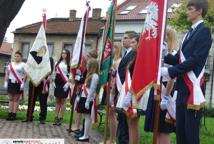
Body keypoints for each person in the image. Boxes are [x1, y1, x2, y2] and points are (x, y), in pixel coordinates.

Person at [161, 0, 212, 144]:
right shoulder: (188, 33)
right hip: (182, 87)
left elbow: (196, 59)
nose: (187, 12)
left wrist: (171, 71)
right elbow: (179, 59)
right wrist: (164, 55)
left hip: (193, 88)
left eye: (190, 9)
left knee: (190, 134)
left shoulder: (204, 31)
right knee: (181, 132)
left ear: (199, 11)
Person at [116, 31, 137, 144]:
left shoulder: (133, 54)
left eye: (126, 38)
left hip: (127, 89)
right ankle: (121, 140)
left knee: (125, 120)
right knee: (121, 119)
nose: (123, 40)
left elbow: (129, 73)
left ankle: (124, 141)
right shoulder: (126, 53)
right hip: (122, 89)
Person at [122, 34, 141, 144]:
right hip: (130, 90)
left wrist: (130, 94)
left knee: (133, 123)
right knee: (130, 123)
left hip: (136, 92)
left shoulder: (140, 57)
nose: (131, 44)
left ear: (139, 44)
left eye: (134, 42)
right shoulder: (133, 56)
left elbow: (137, 76)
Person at [23, 57, 54, 123]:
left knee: (43, 101)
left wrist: (43, 78)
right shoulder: (33, 58)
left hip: (43, 82)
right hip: (33, 81)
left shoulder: (49, 58)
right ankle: (29, 116)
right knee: (31, 100)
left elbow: (50, 70)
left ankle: (42, 118)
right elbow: (30, 68)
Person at [76, 58, 99, 142]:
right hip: (83, 97)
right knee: (85, 117)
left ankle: (86, 136)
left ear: (92, 66)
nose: (87, 66)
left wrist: (88, 101)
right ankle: (85, 134)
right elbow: (84, 87)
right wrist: (79, 96)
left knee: (87, 117)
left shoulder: (95, 76)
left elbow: (92, 89)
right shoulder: (89, 75)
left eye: (88, 64)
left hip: (87, 98)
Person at [4, 51, 26, 120]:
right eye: (15, 56)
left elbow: (25, 74)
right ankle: (9, 113)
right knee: (10, 99)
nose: (16, 57)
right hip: (11, 82)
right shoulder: (11, 64)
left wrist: (23, 83)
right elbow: (7, 73)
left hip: (18, 83)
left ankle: (14, 114)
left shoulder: (23, 64)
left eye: (18, 56)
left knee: (16, 100)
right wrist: (5, 82)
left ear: (21, 57)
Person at [108, 42, 122, 144]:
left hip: (115, 90)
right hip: (110, 88)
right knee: (110, 114)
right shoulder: (114, 60)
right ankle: (111, 138)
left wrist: (113, 90)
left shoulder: (119, 61)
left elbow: (116, 78)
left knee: (112, 114)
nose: (112, 50)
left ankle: (113, 139)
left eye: (114, 48)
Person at [53, 49, 71, 126]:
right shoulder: (57, 63)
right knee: (57, 100)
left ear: (68, 55)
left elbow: (71, 75)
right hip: (57, 82)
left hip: (65, 83)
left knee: (63, 101)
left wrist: (68, 84)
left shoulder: (70, 64)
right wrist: (53, 81)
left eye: (65, 53)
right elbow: (54, 72)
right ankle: (56, 117)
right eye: (62, 53)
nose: (63, 54)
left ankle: (60, 118)